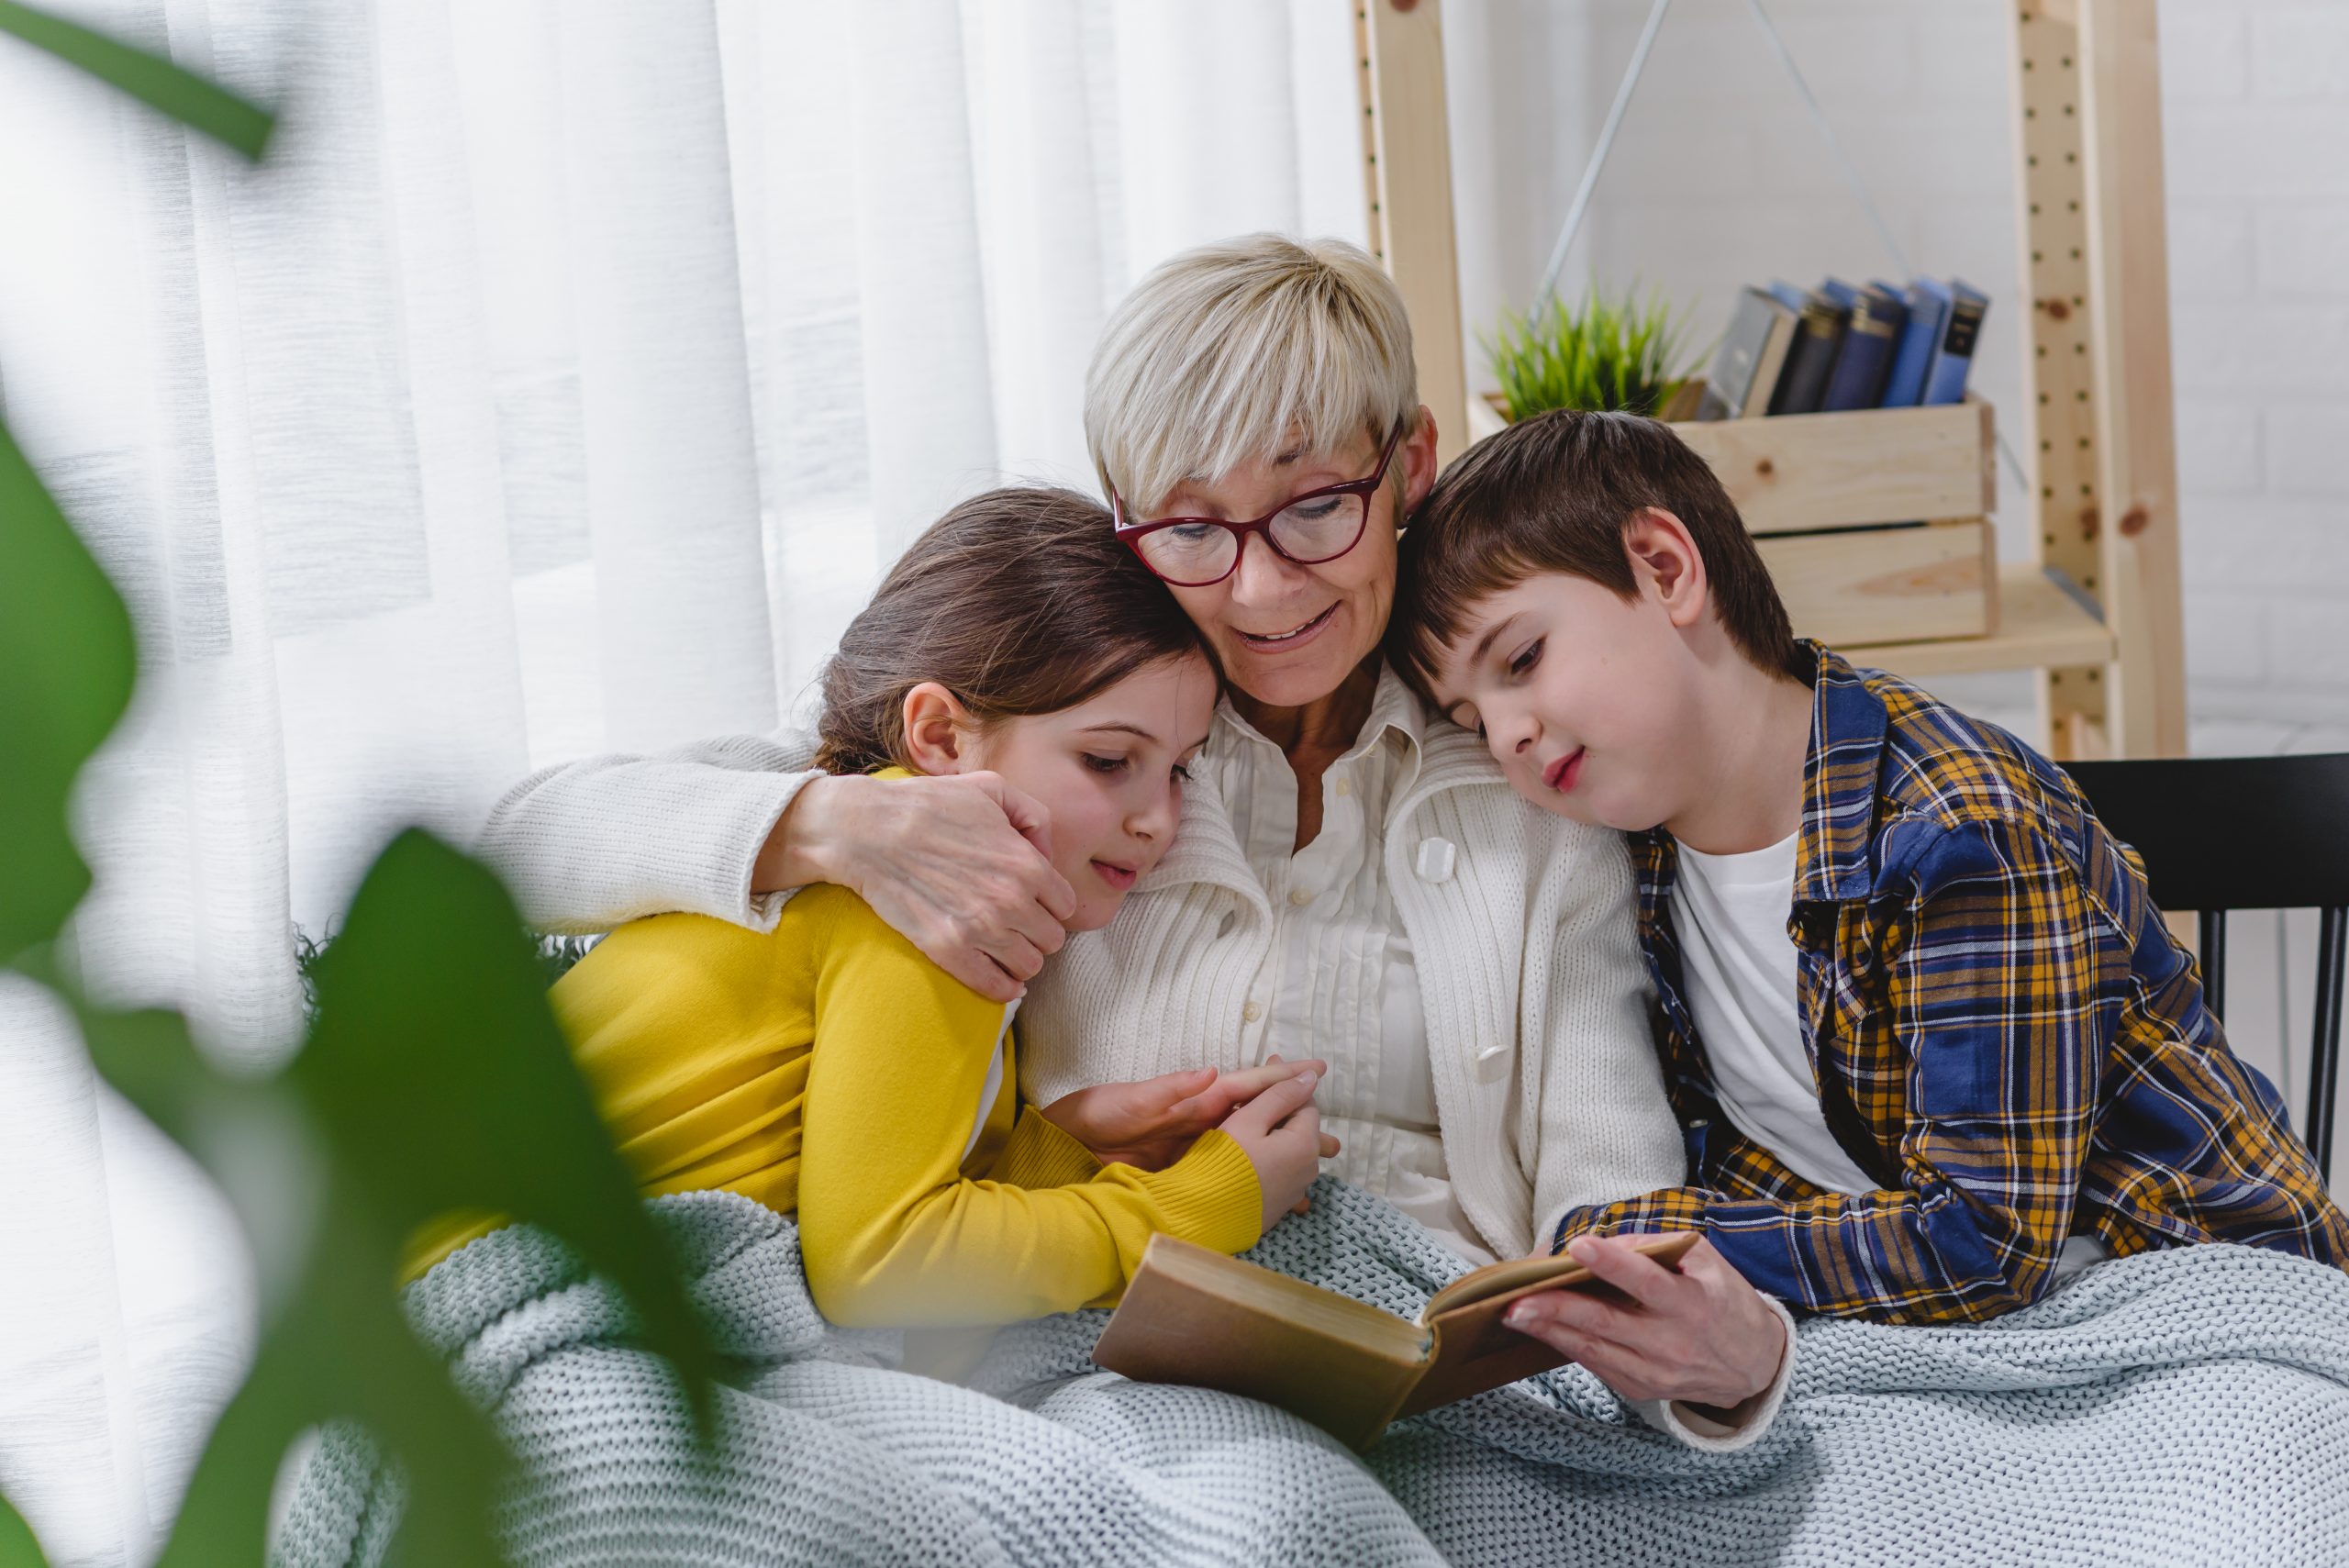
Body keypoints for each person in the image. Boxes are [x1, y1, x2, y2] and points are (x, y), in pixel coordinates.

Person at [480, 235, 1794, 1440]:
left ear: (1408, 464)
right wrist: (836, 821)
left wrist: (1716, 1367)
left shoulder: (1525, 764)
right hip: (1076, 1365)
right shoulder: (1056, 723)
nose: (1264, 586)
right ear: (1128, 520)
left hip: (1412, 1364)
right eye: (1190, 529)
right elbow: (523, 847)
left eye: (1314, 506)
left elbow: (1607, 1193)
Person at [1386, 406, 2349, 1341]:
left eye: (1519, 657)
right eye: (1469, 722)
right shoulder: (1636, 859)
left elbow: (1985, 1242)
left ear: (1665, 567)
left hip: (2202, 1295)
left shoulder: (1953, 834)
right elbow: (1783, 1153)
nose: (1505, 733)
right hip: (1960, 1327)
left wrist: (1646, 1241)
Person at [413, 489, 1333, 1351]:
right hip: (479, 1304)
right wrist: (1200, 1208)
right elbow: (882, 1267)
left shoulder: (954, 907)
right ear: (937, 736)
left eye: (1179, 769)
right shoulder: (931, 890)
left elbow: (854, 1186)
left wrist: (1066, 1149)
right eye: (1106, 759)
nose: (1158, 819)